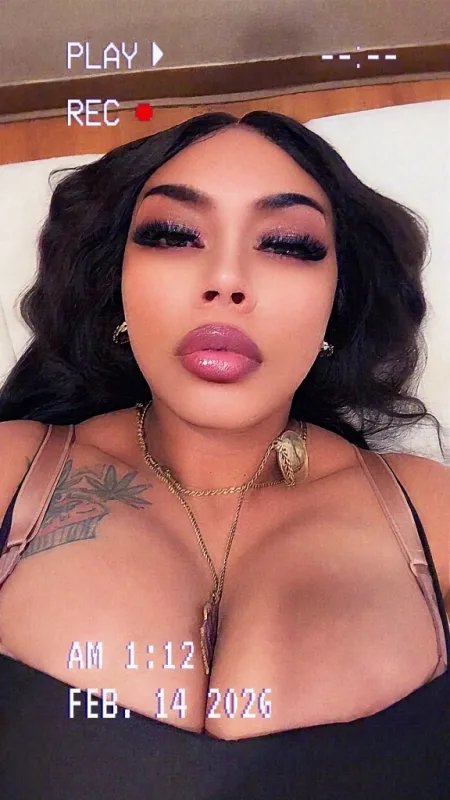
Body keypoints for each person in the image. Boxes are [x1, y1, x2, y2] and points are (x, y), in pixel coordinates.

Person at [0, 110, 448, 799]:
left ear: (339, 301)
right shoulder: (12, 476)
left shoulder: (433, 518)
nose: (226, 280)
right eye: (174, 235)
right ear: (117, 280)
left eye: (288, 244)